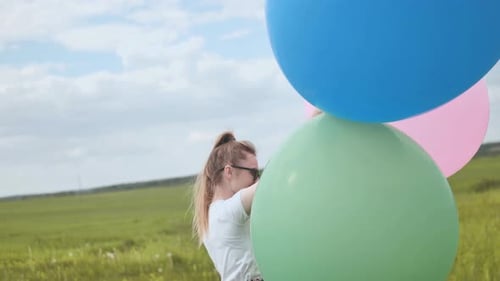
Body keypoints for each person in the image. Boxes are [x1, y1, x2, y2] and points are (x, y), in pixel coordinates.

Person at [192, 131, 263, 281]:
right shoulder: (228, 212)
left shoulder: (211, 214)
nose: (256, 179)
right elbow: (268, 184)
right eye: (253, 172)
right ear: (229, 171)